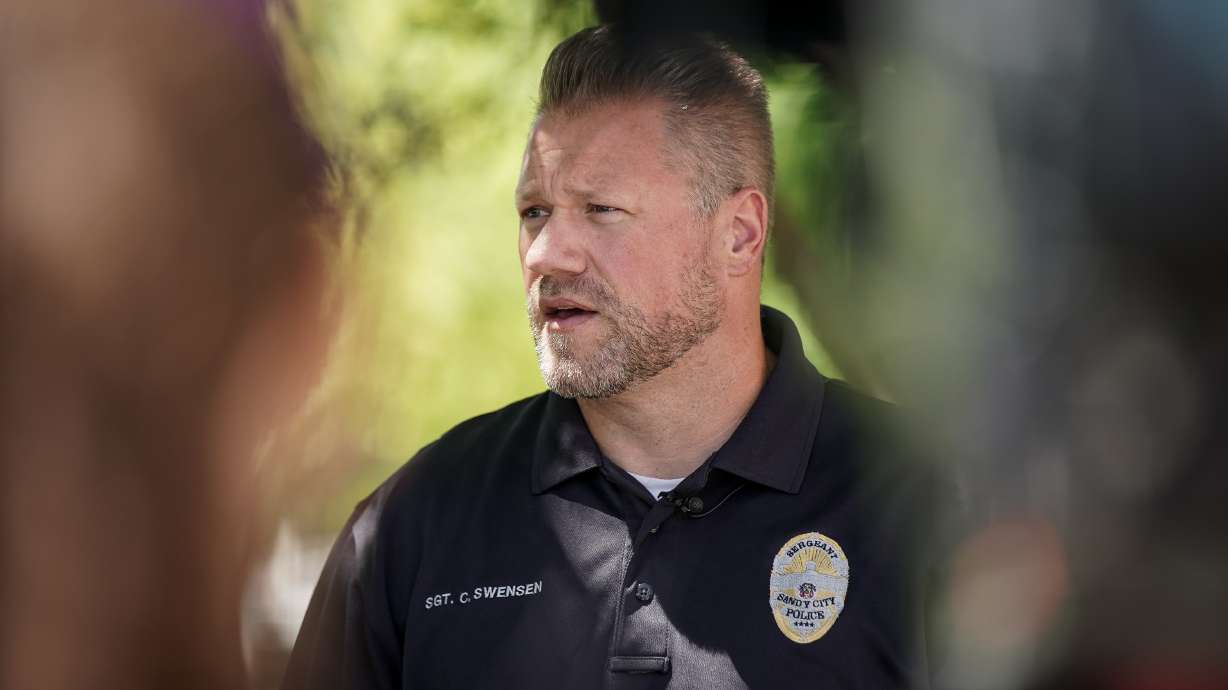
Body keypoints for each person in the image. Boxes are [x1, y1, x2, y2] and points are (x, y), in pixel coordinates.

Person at [284, 24, 942, 690]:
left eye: (600, 209)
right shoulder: (413, 527)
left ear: (739, 235)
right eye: (534, 211)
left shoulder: (925, 514)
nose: (546, 254)